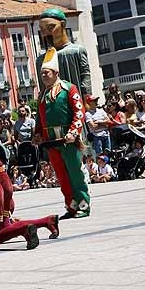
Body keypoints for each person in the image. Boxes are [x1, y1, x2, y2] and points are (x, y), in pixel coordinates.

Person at [34, 47, 90, 219]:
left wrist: (74, 132)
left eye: (46, 73)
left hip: (68, 139)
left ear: (56, 72)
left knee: (75, 173)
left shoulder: (69, 89)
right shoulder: (42, 95)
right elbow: (39, 118)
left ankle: (83, 205)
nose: (43, 76)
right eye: (42, 73)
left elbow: (79, 113)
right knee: (61, 175)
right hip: (51, 142)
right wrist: (37, 134)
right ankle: (71, 206)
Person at [35, 7, 91, 98]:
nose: (45, 34)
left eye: (50, 27)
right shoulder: (41, 59)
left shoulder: (77, 51)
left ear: (63, 24)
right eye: (42, 30)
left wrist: (87, 102)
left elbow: (85, 79)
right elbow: (43, 89)